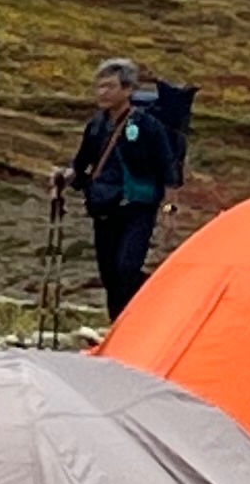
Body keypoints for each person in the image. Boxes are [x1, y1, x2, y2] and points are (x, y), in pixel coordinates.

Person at [64, 57, 174, 317]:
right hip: (104, 208)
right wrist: (64, 176)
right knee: (110, 275)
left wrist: (170, 208)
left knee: (127, 268)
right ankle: (117, 328)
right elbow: (81, 163)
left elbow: (167, 168)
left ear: (127, 90)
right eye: (99, 87)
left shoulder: (148, 126)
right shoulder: (96, 126)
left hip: (137, 208)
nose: (103, 92)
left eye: (110, 86)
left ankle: (151, 306)